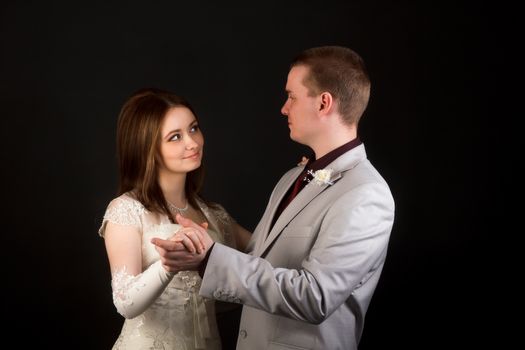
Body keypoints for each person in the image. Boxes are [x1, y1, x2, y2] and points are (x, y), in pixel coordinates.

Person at [152, 46, 395, 350]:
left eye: (292, 96)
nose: (283, 108)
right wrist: (201, 245)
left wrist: (210, 258)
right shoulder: (291, 178)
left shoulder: (365, 194)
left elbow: (314, 297)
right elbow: (260, 262)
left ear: (323, 103)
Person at [98, 88, 251, 350]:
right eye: (175, 137)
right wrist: (168, 266)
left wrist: (303, 189)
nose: (192, 142)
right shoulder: (126, 210)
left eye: (193, 129)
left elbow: (268, 260)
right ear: (148, 149)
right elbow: (125, 303)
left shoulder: (214, 215)